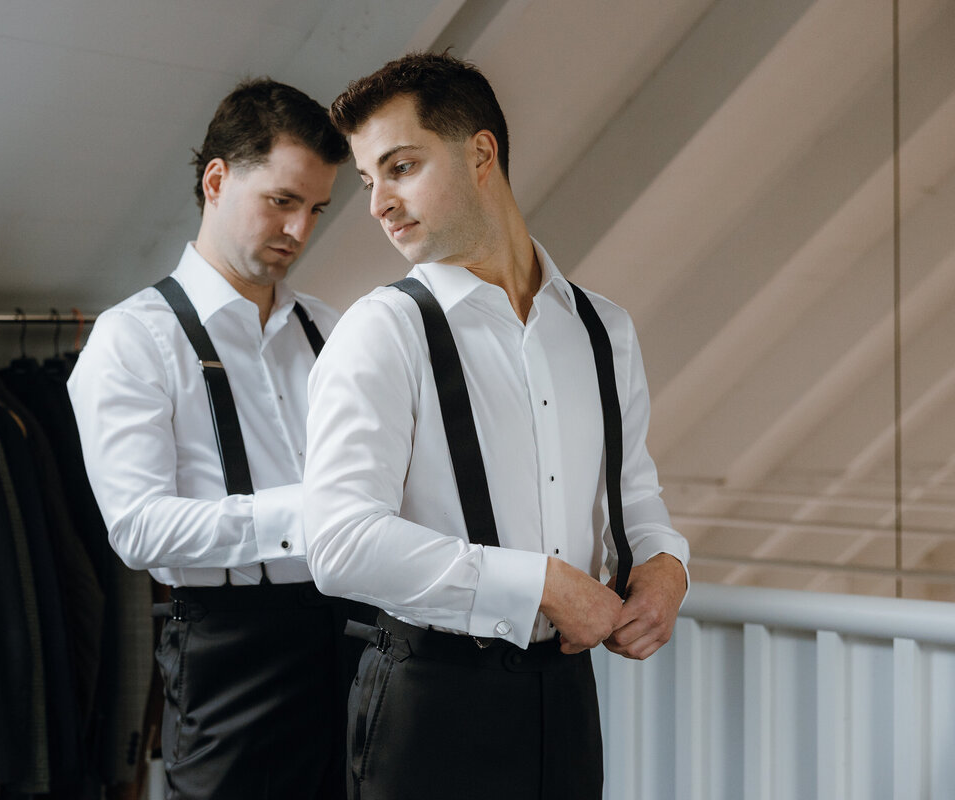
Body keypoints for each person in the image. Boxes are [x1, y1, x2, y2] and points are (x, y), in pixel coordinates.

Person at [303, 53, 690, 800]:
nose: (380, 202)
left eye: (401, 167)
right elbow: (338, 541)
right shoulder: (382, 331)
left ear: (481, 152)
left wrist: (665, 564)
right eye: (367, 181)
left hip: (568, 702)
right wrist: (539, 583)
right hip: (429, 703)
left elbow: (633, 490)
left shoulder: (604, 328)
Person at [68, 78, 365, 800]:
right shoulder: (133, 339)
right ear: (215, 179)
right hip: (231, 666)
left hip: (356, 646)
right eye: (282, 202)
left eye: (316, 210)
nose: (300, 231)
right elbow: (139, 528)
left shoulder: (333, 330)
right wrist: (313, 512)